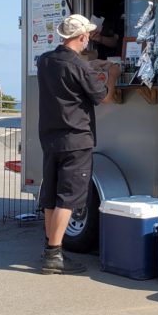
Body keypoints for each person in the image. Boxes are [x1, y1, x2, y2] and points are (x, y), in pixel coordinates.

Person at [37, 14, 108, 275]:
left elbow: (68, 75)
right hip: (76, 139)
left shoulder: (45, 60)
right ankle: (54, 257)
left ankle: (49, 248)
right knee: (68, 199)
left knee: (51, 197)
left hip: (50, 138)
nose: (89, 37)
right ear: (82, 37)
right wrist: (108, 72)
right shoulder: (79, 66)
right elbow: (101, 96)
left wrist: (90, 66)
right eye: (87, 34)